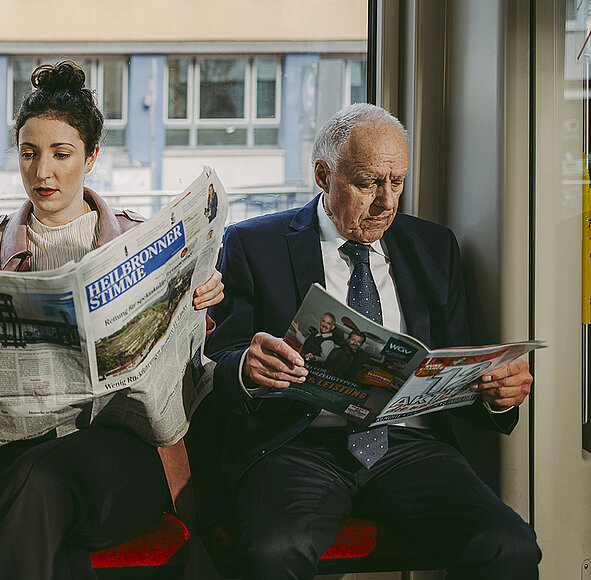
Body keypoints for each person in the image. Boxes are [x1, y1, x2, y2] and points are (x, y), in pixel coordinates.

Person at [0, 60, 224, 580]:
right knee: (37, 493)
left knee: (40, 487)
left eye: (61, 154)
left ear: (91, 157)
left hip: (117, 455)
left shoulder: (141, 243)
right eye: (28, 154)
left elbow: (185, 374)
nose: (42, 171)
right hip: (0, 453)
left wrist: (198, 307)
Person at [194, 102, 539, 579]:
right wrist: (247, 370)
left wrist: (497, 395)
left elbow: (456, 367)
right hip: (297, 445)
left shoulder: (434, 247)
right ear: (322, 175)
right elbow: (216, 361)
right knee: (273, 552)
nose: (387, 202)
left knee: (510, 547)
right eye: (368, 183)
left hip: (410, 446)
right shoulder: (256, 245)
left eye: (397, 181)